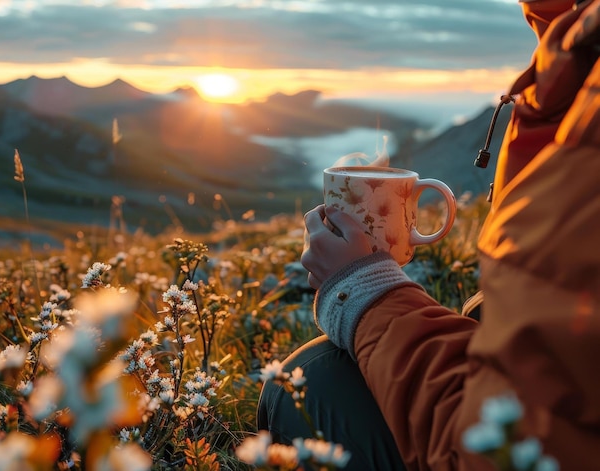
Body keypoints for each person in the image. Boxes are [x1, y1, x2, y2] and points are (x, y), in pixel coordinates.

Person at [257, 0, 600, 469]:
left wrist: (364, 291)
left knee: (304, 384)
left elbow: (514, 446)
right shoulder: (574, 59)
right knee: (320, 369)